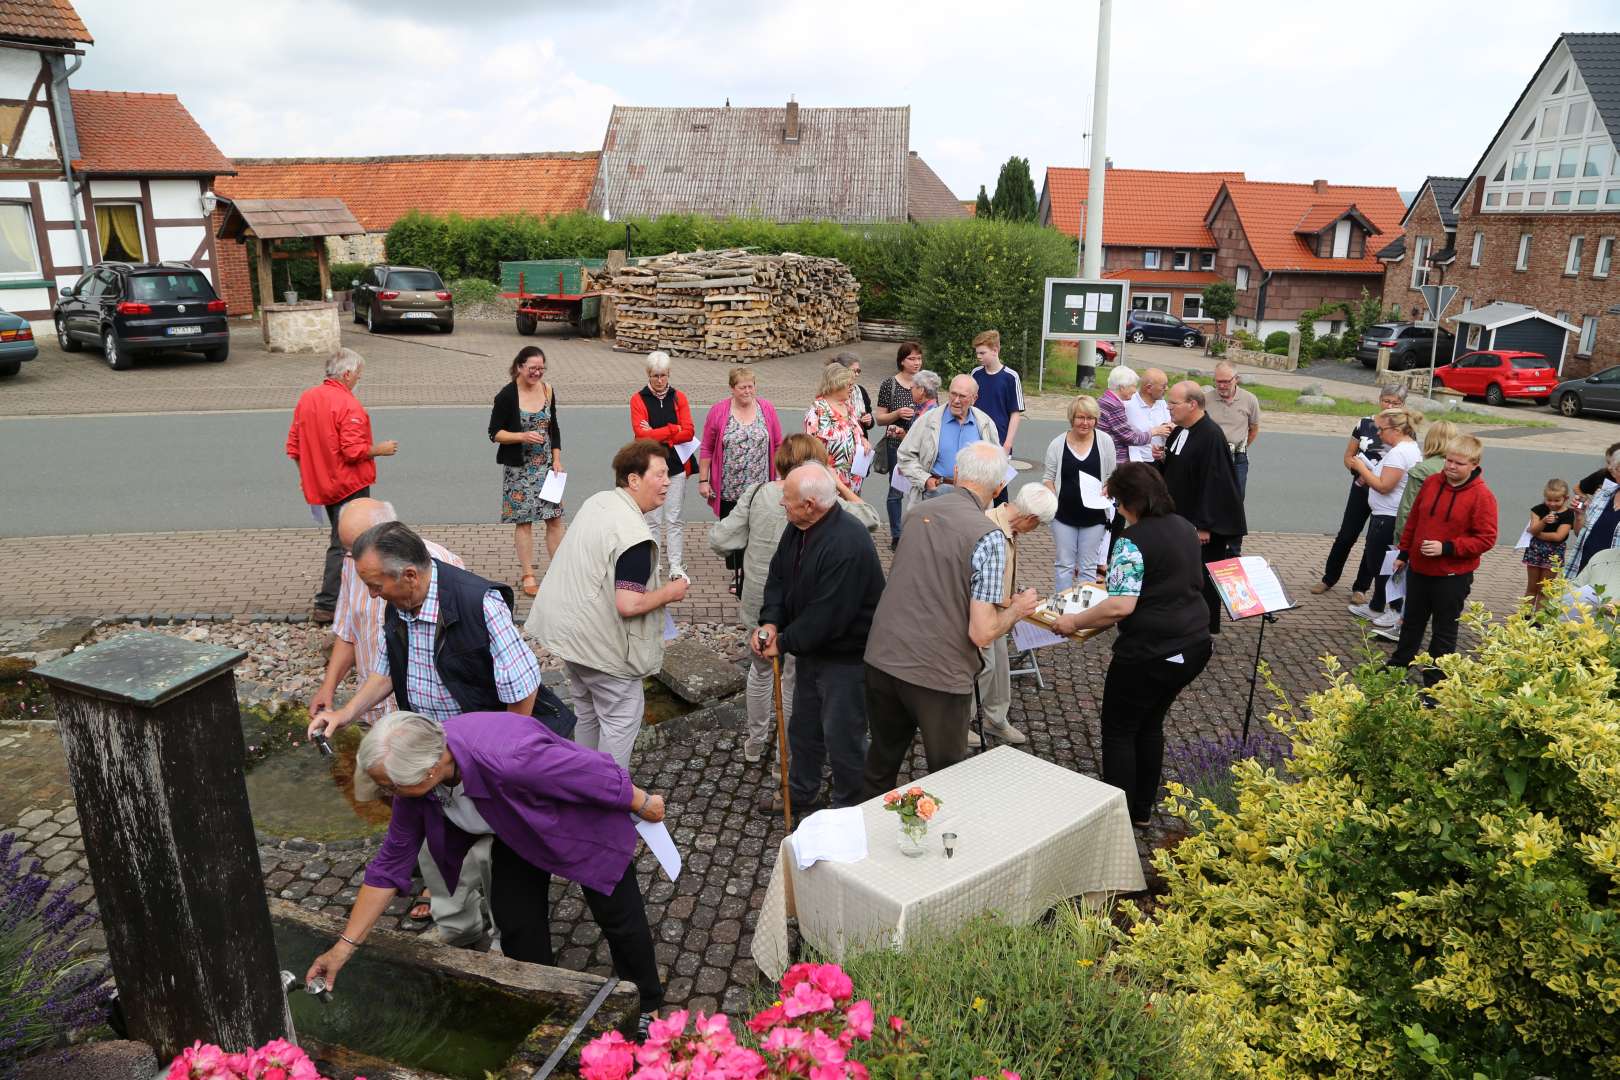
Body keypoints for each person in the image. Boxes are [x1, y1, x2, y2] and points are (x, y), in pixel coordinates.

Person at [305, 710, 667, 1036]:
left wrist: (644, 803)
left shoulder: (512, 757)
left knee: (619, 918)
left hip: (577, 823)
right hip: (513, 828)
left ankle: (646, 1003)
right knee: (517, 922)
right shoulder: (416, 780)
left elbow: (594, 772)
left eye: (391, 785)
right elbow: (389, 864)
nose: (388, 793)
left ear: (430, 770)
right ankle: (545, 999)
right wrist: (342, 948)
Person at [307, 499, 482, 939]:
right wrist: (338, 703)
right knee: (414, 820)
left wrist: (495, 744)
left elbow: (515, 683)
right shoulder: (362, 570)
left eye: (355, 552)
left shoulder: (444, 575)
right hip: (396, 728)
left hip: (453, 743)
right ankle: (451, 912)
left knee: (474, 837)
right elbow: (354, 637)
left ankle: (489, 922)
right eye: (347, 551)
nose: (350, 563)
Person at [862, 443, 1039, 796]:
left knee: (880, 765)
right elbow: (982, 631)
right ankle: (942, 846)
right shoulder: (989, 537)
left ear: (957, 475)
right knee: (946, 780)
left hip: (882, 657)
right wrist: (1018, 610)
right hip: (938, 675)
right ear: (1000, 487)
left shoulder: (916, 513)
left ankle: (864, 841)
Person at [1051, 463, 1212, 826]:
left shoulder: (1130, 542)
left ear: (1128, 501)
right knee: (1151, 724)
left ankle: (1118, 819)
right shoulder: (1185, 527)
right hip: (1194, 643)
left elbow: (1121, 606)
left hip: (1150, 652)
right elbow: (1165, 575)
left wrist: (1072, 622)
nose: (1118, 510)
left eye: (1119, 502)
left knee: (1120, 730)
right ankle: (1141, 810)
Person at [711, 435, 880, 764]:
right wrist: (840, 485)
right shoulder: (821, 500)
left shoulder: (758, 493)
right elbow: (870, 518)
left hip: (760, 603)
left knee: (759, 671)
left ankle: (754, 742)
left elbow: (720, 539)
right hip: (799, 611)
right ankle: (783, 759)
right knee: (791, 682)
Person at [526, 440, 689, 769]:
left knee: (587, 714)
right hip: (603, 651)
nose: (668, 481)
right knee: (619, 720)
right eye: (659, 474)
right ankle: (607, 798)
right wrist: (672, 591)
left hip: (570, 640)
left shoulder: (599, 502)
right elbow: (628, 604)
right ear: (633, 480)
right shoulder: (635, 538)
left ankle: (582, 788)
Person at [306, 520, 541, 741]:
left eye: (376, 586)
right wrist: (345, 714)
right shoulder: (398, 603)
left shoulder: (480, 604)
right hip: (431, 744)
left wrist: (502, 752)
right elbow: (386, 672)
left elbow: (523, 689)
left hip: (479, 745)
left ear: (410, 576)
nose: (372, 595)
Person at [754, 463, 886, 813]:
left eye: (788, 499)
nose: (782, 503)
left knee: (843, 737)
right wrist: (769, 623)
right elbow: (778, 579)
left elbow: (828, 616)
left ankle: (849, 807)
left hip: (847, 659)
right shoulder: (797, 528)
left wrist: (784, 642)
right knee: (804, 729)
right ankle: (801, 791)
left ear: (810, 504)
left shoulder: (848, 542)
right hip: (812, 651)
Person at [286, 347, 397, 624]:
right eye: (358, 374)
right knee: (348, 541)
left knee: (342, 540)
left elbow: (294, 446)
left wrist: (306, 476)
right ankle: (331, 602)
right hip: (349, 484)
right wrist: (379, 449)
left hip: (323, 483)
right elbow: (352, 451)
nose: (359, 379)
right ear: (346, 374)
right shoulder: (348, 404)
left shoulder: (307, 398)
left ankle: (343, 596)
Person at [1390, 436, 1497, 686]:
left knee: (1444, 631)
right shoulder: (1430, 483)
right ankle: (1398, 666)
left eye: (1458, 463)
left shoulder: (1482, 496)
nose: (1450, 466)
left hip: (1452, 577)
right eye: (1448, 460)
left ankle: (1436, 682)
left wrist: (1447, 547)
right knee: (1411, 623)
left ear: (1474, 464)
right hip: (1418, 570)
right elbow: (1414, 520)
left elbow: (1486, 539)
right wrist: (1404, 553)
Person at [974, 483, 1059, 747]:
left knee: (999, 666)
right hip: (983, 612)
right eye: (1039, 525)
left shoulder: (1009, 526)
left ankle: (995, 718)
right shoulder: (991, 529)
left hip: (1001, 608)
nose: (1036, 531)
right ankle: (961, 723)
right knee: (983, 667)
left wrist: (1014, 600)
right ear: (1031, 519)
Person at [1159, 381, 1246, 635]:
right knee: (1180, 573)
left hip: (1201, 526)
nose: (1168, 408)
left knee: (1202, 578)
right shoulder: (1180, 431)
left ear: (1192, 404)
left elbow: (1215, 483)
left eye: (1173, 403)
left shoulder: (1210, 435)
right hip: (1179, 518)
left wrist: (1204, 525)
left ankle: (1204, 628)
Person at [1312, 384, 1408, 598]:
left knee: (1374, 540)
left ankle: (1361, 587)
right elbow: (1348, 455)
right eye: (1386, 401)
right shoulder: (1364, 423)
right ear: (1379, 399)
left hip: (1386, 493)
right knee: (1346, 535)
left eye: (1395, 403)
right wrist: (1357, 468)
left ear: (1403, 405)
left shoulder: (1406, 430)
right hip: (1361, 488)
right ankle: (1329, 578)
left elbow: (1406, 464)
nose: (1389, 406)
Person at [697, 368, 785, 596]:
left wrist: (780, 476)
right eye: (742, 387)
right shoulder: (719, 411)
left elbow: (777, 444)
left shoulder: (766, 409)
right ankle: (737, 573)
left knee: (757, 529)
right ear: (732, 389)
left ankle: (750, 574)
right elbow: (706, 447)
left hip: (760, 486)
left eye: (751, 386)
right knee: (734, 530)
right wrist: (704, 480)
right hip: (729, 486)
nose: (748, 391)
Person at [489, 345, 563, 599]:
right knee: (524, 521)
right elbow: (494, 433)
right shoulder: (507, 396)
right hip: (519, 468)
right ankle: (528, 574)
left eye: (541, 368)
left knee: (554, 518)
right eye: (532, 368)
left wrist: (557, 459)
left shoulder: (548, 390)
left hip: (545, 467)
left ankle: (560, 571)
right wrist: (520, 436)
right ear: (520, 366)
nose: (537, 373)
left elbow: (554, 429)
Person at [1374, 420, 1458, 643]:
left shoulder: (1422, 470)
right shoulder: (1454, 471)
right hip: (1443, 540)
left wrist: (1402, 540)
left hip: (1418, 539)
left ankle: (1403, 625)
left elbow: (1409, 509)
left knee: (1409, 585)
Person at [1346, 407, 1423, 632]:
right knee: (1378, 563)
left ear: (1397, 430)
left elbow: (1383, 486)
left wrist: (1362, 467)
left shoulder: (1400, 453)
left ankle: (1394, 609)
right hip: (1385, 514)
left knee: (1381, 565)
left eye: (1382, 430)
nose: (1378, 434)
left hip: (1388, 516)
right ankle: (1377, 604)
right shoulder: (1404, 449)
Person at [629, 351, 696, 580]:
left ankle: (676, 565)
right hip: (650, 465)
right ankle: (654, 564)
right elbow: (641, 436)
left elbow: (689, 432)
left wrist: (659, 433)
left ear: (669, 374)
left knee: (674, 517)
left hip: (675, 465)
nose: (660, 380)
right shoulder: (638, 399)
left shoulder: (679, 398)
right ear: (648, 374)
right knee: (653, 518)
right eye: (656, 375)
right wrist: (672, 430)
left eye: (664, 375)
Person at [1042, 395, 1118, 590]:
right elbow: (1048, 478)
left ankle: (1083, 613)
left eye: (1090, 418)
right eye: (1080, 417)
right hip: (1063, 515)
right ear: (1071, 418)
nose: (1085, 423)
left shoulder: (1105, 442)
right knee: (1064, 565)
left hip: (1094, 516)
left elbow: (1112, 475)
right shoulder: (1058, 444)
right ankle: (1062, 609)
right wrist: (1053, 502)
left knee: (1088, 567)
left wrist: (1109, 487)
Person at [894, 373, 998, 512]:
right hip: (936, 492)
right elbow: (905, 456)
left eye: (962, 396)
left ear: (974, 398)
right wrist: (925, 480)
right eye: (953, 394)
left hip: (973, 497)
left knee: (967, 534)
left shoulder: (985, 423)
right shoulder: (928, 421)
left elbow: (997, 462)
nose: (956, 400)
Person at [875, 342, 925, 545]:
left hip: (921, 445)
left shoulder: (926, 383)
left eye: (919, 358)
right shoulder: (890, 384)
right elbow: (879, 418)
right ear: (901, 361)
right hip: (896, 444)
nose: (916, 363)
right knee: (896, 491)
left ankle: (919, 533)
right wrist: (897, 414)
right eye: (911, 359)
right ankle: (897, 535)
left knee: (923, 489)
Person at [969, 330, 1025, 506]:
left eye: (982, 352)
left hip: (1000, 443)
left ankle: (1002, 530)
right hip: (977, 442)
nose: (979, 357)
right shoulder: (976, 374)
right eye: (977, 353)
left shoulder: (1010, 377)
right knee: (975, 489)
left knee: (999, 491)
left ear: (995, 350)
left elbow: (1015, 413)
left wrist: (1007, 444)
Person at [805, 362, 870, 495]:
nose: (852, 388)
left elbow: (855, 431)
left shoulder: (848, 406)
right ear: (836, 384)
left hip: (853, 475)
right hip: (829, 479)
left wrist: (863, 440)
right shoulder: (818, 410)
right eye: (849, 385)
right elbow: (811, 448)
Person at [1203, 361, 1261, 500]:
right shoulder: (1205, 400)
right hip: (1211, 457)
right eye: (1218, 382)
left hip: (1237, 459)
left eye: (1226, 382)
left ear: (1236, 379)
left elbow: (1254, 428)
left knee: (1235, 499)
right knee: (1209, 498)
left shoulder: (1250, 400)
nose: (1222, 386)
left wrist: (1242, 447)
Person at [1568, 444, 1620, 577]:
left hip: (1612, 581)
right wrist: (1580, 515)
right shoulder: (1603, 494)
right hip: (1583, 572)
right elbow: (1580, 533)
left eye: (1615, 468)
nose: (1610, 470)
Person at [1097, 365, 1165, 465]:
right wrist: (1154, 431)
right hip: (1113, 460)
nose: (1135, 391)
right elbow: (1131, 438)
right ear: (1122, 388)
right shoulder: (1115, 405)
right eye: (1133, 386)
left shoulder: (1105, 399)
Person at [1523, 479, 1575, 609]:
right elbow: (1534, 529)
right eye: (1548, 500)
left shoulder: (1568, 514)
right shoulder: (1538, 510)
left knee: (1545, 589)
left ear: (1566, 498)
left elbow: (1559, 537)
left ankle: (1539, 621)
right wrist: (1543, 522)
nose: (1552, 504)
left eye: (1557, 500)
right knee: (1532, 587)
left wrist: (1537, 534)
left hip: (1554, 553)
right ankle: (1524, 617)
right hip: (1535, 551)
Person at [1124, 368, 1171, 463]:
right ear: (1149, 388)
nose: (1167, 389)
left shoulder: (1162, 403)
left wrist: (1171, 428)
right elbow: (1124, 435)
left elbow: (1169, 426)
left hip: (1159, 461)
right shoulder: (1128, 404)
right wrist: (1156, 431)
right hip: (1136, 463)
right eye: (1163, 386)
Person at [829, 352, 876, 437]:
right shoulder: (830, 394)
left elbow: (870, 420)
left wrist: (869, 421)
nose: (857, 374)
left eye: (859, 371)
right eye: (854, 371)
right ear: (841, 372)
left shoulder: (860, 391)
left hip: (861, 443)